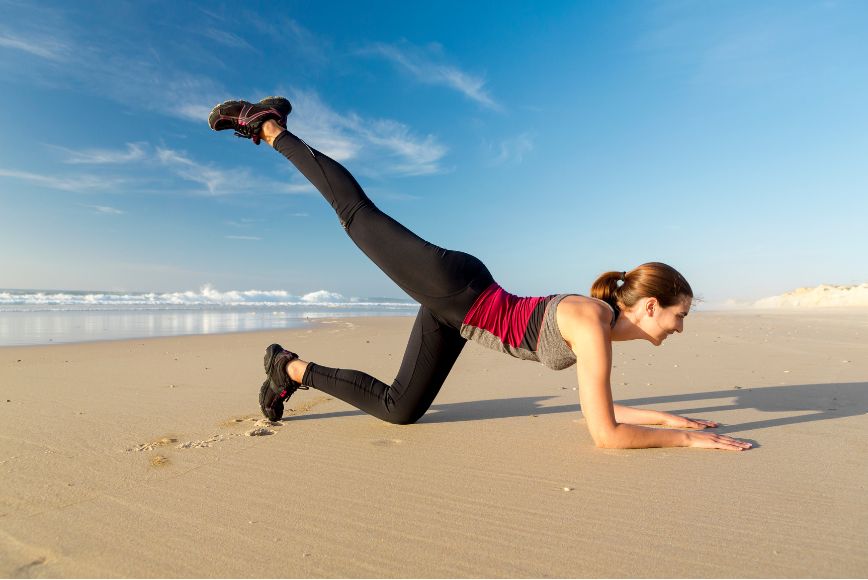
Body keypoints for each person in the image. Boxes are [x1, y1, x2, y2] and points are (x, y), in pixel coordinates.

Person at [208, 96, 752, 452]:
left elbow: (601, 406)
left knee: (399, 410)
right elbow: (605, 434)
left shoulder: (604, 327)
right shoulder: (592, 322)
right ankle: (269, 126)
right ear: (651, 305)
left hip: (459, 312)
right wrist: (685, 444)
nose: (682, 325)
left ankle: (288, 369)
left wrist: (669, 421)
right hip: (456, 289)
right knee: (356, 215)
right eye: (681, 314)